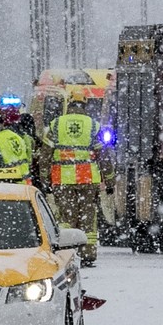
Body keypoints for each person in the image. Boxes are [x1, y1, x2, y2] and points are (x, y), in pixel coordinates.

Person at [43, 98, 102, 266]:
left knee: (66, 217)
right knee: (87, 218)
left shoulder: (55, 125)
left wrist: (44, 178)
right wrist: (109, 179)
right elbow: (103, 156)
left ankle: (66, 255)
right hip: (88, 178)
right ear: (84, 106)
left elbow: (46, 154)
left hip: (62, 178)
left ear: (68, 106)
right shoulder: (93, 125)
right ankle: (87, 254)